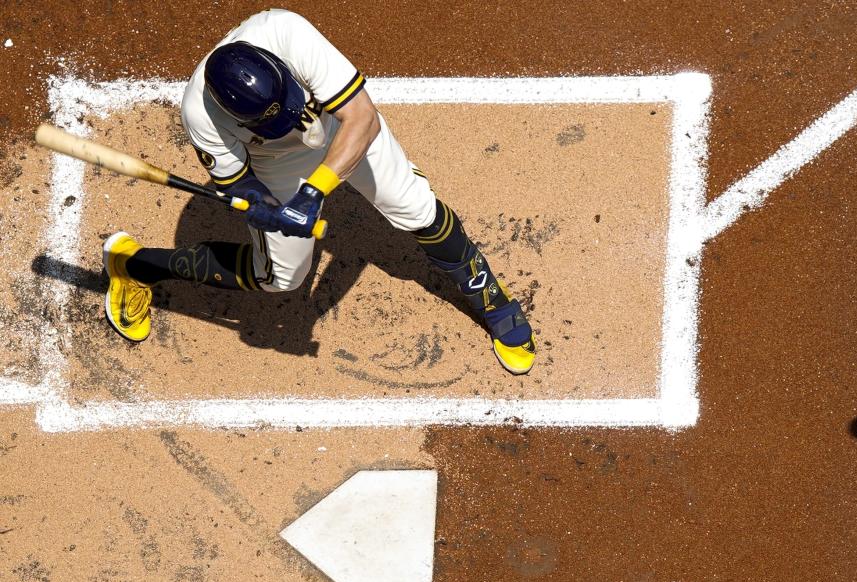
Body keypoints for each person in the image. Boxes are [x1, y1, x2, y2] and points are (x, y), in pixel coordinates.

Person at [102, 8, 535, 374]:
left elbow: (361, 117)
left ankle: (494, 303)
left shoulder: (285, 32)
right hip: (277, 163)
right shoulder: (201, 117)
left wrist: (314, 193)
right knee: (280, 278)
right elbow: (242, 185)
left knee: (417, 208)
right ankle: (135, 265)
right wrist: (265, 208)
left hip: (339, 125)